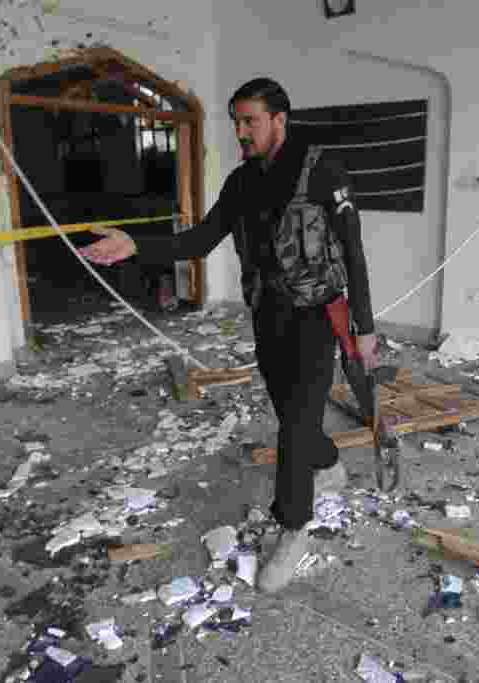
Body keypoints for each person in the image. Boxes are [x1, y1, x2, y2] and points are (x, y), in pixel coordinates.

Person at [79, 77, 378, 593]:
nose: (240, 131)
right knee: (294, 417)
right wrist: (135, 247)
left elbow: (353, 250)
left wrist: (366, 328)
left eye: (250, 121)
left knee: (293, 426)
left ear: (279, 119)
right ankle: (327, 463)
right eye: (236, 121)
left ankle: (293, 527)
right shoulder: (241, 184)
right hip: (268, 318)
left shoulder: (323, 171)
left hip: (314, 317)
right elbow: (199, 238)